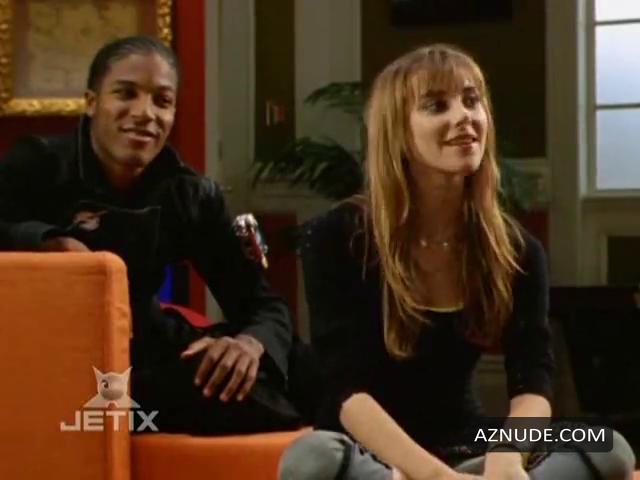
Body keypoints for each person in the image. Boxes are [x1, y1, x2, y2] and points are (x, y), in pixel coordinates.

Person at [279, 44, 636, 479]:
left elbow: (532, 377)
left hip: (470, 442)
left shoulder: (517, 249)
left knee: (607, 445)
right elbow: (345, 389)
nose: (464, 116)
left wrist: (506, 459)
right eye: (436, 106)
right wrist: (436, 477)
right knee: (310, 457)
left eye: (471, 100)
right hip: (372, 456)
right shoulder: (338, 235)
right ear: (398, 132)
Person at [0, 36, 303, 433]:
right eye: (126, 93)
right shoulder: (39, 164)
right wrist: (46, 241)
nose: (145, 114)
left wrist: (248, 345)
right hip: (48, 355)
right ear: (91, 102)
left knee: (303, 367)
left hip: (146, 350)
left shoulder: (189, 194)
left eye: (162, 101)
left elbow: (261, 303)